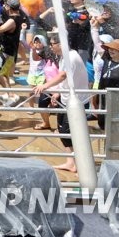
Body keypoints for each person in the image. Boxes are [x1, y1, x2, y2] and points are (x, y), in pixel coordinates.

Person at [32, 43, 90, 174]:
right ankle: (71, 162)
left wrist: (45, 86)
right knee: (63, 131)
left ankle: (81, 165)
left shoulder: (71, 57)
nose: (51, 47)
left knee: (74, 134)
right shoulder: (64, 57)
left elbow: (63, 75)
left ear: (61, 43)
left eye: (53, 44)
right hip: (66, 100)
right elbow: (67, 79)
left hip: (77, 102)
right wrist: (58, 92)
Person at [94, 38, 119, 130]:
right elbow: (97, 44)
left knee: (113, 125)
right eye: (109, 48)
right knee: (102, 123)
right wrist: (94, 28)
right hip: (103, 98)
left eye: (114, 49)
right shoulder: (107, 59)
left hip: (116, 102)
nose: (110, 50)